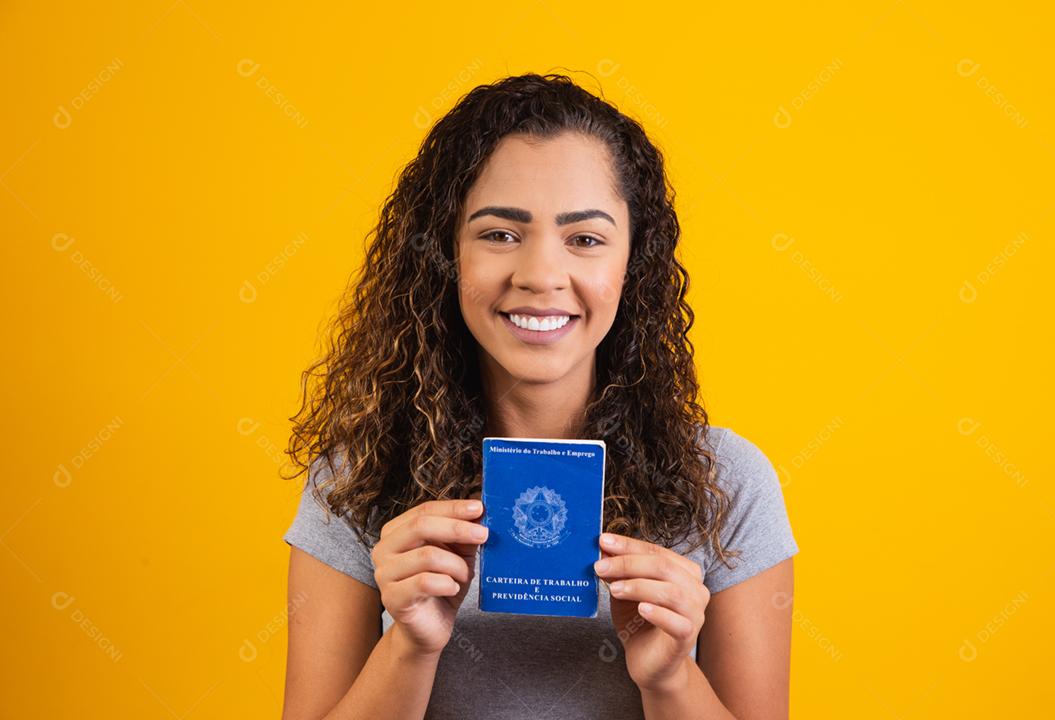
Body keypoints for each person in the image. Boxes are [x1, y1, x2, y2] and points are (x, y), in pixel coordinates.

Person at [281, 72, 799, 720]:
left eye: (584, 239)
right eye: (500, 233)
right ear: (446, 254)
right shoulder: (356, 476)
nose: (540, 276)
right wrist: (410, 646)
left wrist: (669, 677)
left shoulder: (729, 485)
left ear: (632, 265)